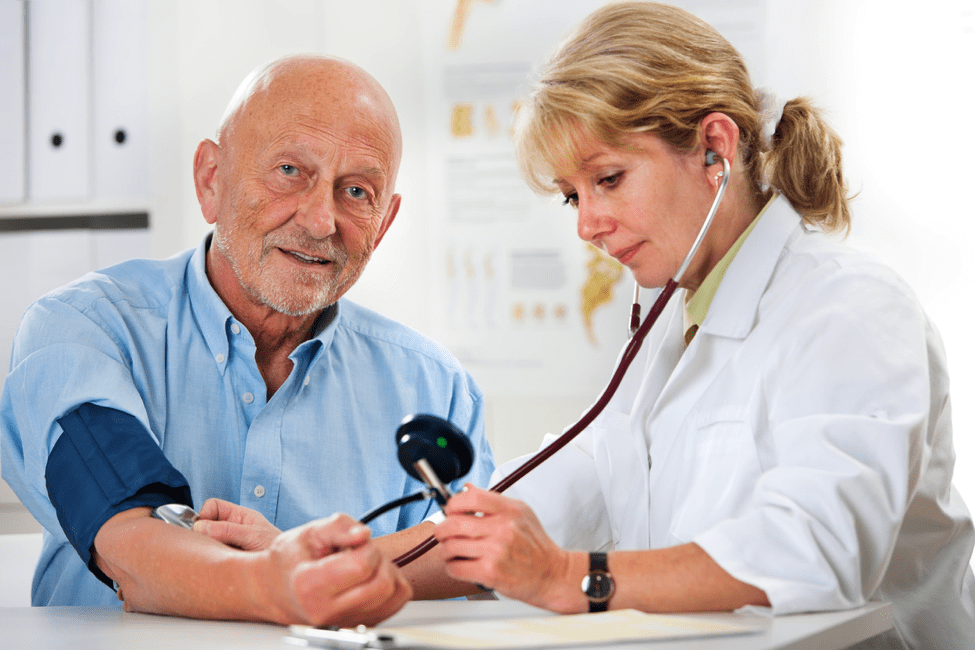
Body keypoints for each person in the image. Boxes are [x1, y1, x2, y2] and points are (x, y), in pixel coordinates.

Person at [196, 3, 975, 647]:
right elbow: (536, 506)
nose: (589, 225)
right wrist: (324, 561)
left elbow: (815, 552)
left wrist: (566, 578)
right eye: (573, 196)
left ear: (713, 147)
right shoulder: (668, 331)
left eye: (608, 179)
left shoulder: (849, 312)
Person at [0, 54, 494, 626]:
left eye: (357, 191)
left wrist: (314, 567)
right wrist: (281, 583)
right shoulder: (83, 331)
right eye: (289, 171)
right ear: (212, 179)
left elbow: (480, 557)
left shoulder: (435, 386)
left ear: (383, 224)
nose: (319, 220)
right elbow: (127, 543)